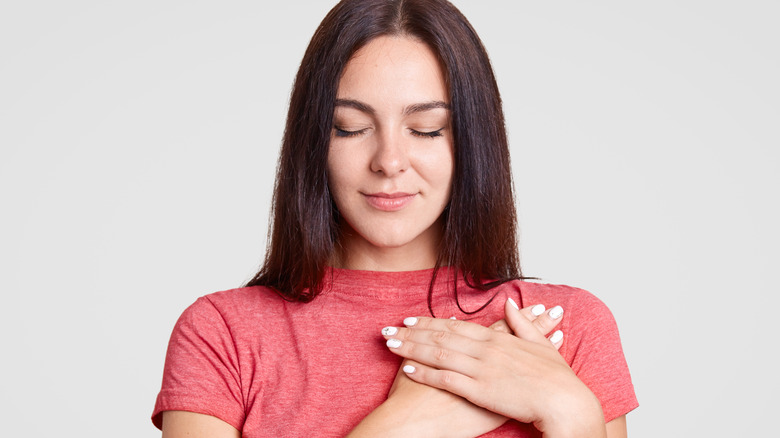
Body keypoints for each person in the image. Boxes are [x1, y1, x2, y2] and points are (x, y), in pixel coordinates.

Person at [152, 0, 638, 436]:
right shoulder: (223, 334)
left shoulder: (563, 329)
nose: (389, 160)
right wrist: (402, 426)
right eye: (351, 127)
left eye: (426, 130)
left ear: (472, 141)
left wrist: (572, 413)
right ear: (313, 142)